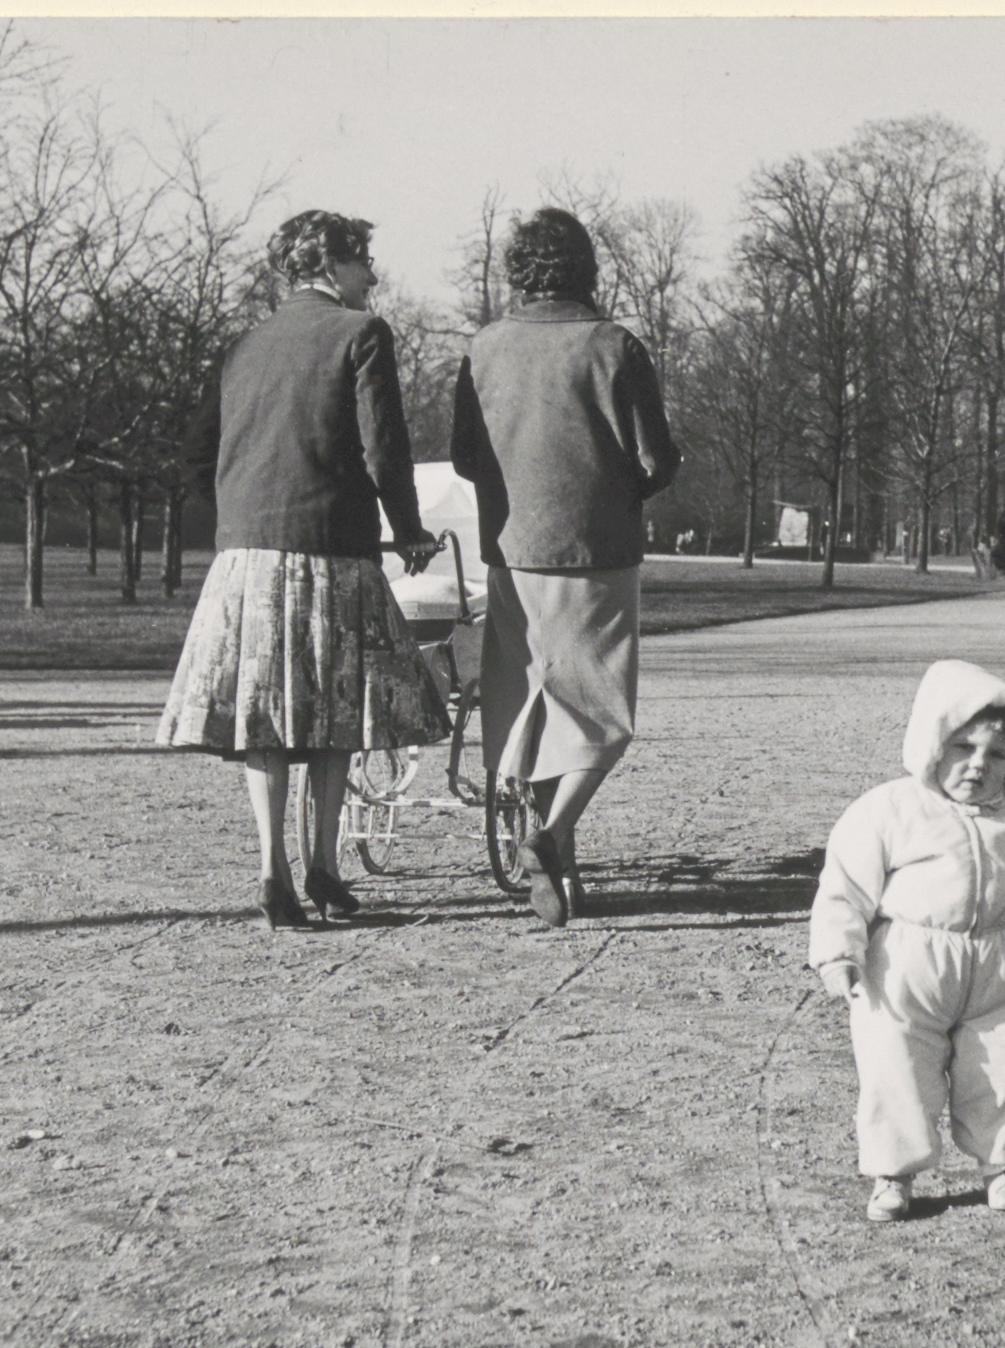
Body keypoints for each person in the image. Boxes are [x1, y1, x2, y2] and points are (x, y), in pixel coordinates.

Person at [157, 210, 447, 930]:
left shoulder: (243, 346)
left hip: (246, 560)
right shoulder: (361, 333)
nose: (371, 275)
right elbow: (385, 449)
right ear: (329, 264)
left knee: (265, 716)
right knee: (335, 710)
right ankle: (323, 864)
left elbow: (195, 453)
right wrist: (408, 530)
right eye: (361, 260)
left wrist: (243, 512)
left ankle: (272, 871)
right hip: (331, 552)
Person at [807, 659, 1005, 1222]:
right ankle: (893, 1174)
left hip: (1002, 971)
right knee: (897, 1070)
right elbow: (845, 886)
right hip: (906, 969)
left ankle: (1003, 1169)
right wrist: (839, 951)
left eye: (997, 754)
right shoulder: (890, 809)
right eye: (963, 748)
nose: (978, 765)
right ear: (932, 744)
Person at [451, 207, 682, 926]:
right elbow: (655, 459)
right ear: (585, 266)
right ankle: (550, 839)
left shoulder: (484, 348)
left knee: (534, 707)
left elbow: (464, 455)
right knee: (602, 715)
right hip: (595, 550)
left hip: (511, 552)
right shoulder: (612, 344)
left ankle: (561, 862)